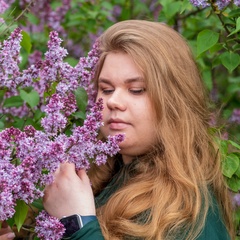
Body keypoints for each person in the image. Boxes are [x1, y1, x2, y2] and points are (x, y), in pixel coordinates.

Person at [1, 20, 234, 239]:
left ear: (174, 101)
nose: (113, 101)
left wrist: (77, 222)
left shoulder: (191, 212)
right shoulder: (101, 178)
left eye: (136, 89)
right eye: (106, 88)